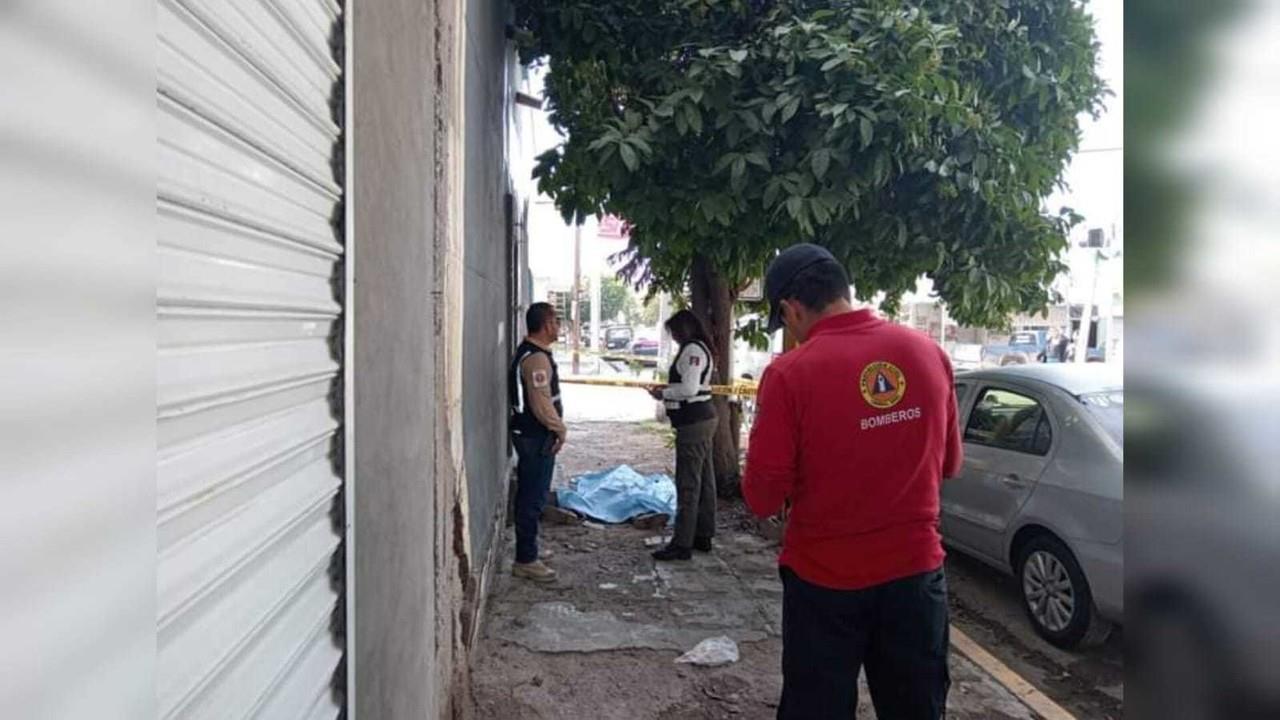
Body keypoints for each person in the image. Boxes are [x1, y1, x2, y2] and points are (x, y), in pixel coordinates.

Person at [742, 244, 963, 720]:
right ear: (844, 290)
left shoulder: (788, 373)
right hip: (915, 580)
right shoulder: (928, 353)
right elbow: (948, 466)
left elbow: (762, 498)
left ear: (791, 308)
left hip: (825, 586)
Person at [646, 310, 718, 561]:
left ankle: (682, 543)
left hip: (693, 422)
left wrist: (664, 393)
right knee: (705, 481)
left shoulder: (692, 352)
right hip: (702, 419)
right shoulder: (699, 348)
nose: (674, 337)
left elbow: (689, 388)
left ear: (684, 329)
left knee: (688, 483)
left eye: (675, 331)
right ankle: (703, 534)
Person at [508, 302, 568, 583]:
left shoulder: (535, 354)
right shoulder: (536, 359)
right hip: (535, 436)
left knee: (531, 496)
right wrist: (559, 428)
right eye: (556, 321)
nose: (558, 326)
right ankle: (526, 560)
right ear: (546, 325)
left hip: (531, 435)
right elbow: (541, 404)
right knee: (532, 498)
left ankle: (528, 553)